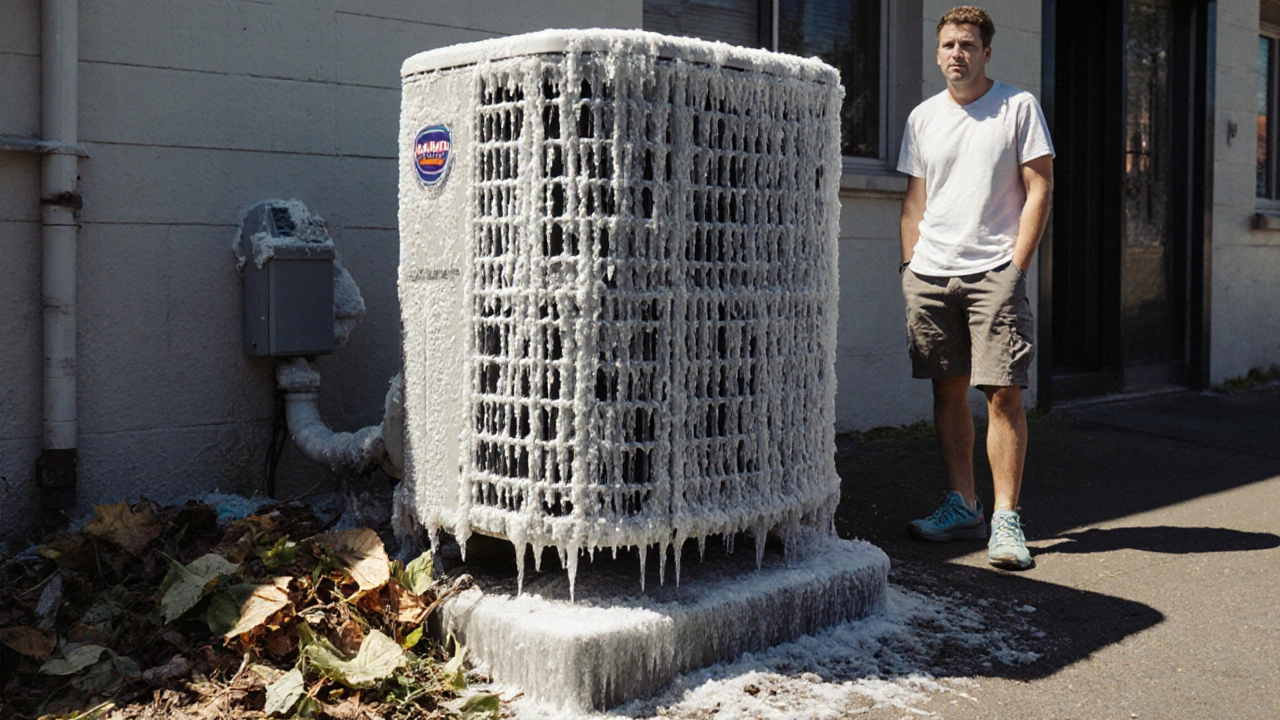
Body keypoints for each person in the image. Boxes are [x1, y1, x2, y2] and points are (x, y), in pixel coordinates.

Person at [896, 6, 1054, 570]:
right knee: (947, 391)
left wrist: (1015, 267)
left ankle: (1007, 517)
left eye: (967, 44)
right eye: (947, 45)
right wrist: (908, 266)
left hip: (993, 272)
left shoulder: (1017, 107)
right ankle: (964, 505)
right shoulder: (922, 118)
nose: (956, 53)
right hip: (931, 274)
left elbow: (1039, 190)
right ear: (937, 53)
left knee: (1003, 393)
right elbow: (916, 200)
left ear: (986, 52)